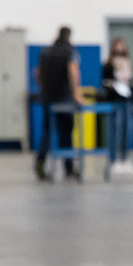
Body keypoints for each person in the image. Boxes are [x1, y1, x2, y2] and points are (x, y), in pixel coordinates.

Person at [34, 26, 84, 181]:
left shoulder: (45, 52)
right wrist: (76, 94)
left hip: (47, 99)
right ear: (69, 36)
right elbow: (73, 72)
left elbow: (37, 73)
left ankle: (40, 162)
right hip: (64, 100)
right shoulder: (70, 51)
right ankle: (68, 167)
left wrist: (44, 88)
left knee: (48, 131)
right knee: (67, 132)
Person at [100, 37, 133, 175]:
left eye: (122, 45)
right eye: (118, 45)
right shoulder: (108, 65)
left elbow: (132, 84)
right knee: (114, 131)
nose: (120, 48)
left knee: (127, 131)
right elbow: (105, 83)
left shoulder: (128, 63)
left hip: (127, 101)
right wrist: (113, 85)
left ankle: (124, 159)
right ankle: (113, 160)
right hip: (114, 101)